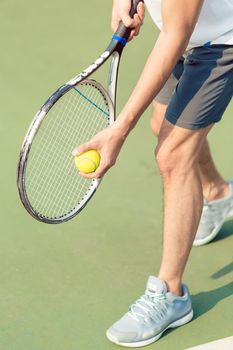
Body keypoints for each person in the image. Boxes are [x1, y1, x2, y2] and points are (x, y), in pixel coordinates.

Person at [73, 0, 233, 347]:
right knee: (162, 123)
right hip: (188, 32)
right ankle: (219, 193)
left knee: (173, 156)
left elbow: (176, 32)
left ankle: (171, 293)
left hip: (222, 39)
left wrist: (119, 129)